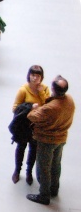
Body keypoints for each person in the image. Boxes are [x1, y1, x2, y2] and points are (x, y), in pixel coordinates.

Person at [26, 76, 75, 205]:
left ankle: (44, 195)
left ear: (53, 89)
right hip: (61, 138)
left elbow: (32, 116)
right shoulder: (69, 100)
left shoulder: (52, 107)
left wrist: (34, 107)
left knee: (44, 167)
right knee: (56, 164)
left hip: (47, 140)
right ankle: (54, 189)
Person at [10, 65, 50, 185]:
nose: (35, 78)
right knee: (21, 148)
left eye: (38, 76)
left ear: (41, 77)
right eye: (33, 75)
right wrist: (29, 107)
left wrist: (41, 92)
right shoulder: (23, 90)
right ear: (29, 75)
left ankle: (29, 172)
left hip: (36, 126)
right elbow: (15, 108)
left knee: (33, 150)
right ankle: (17, 170)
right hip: (24, 125)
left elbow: (48, 106)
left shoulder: (45, 89)